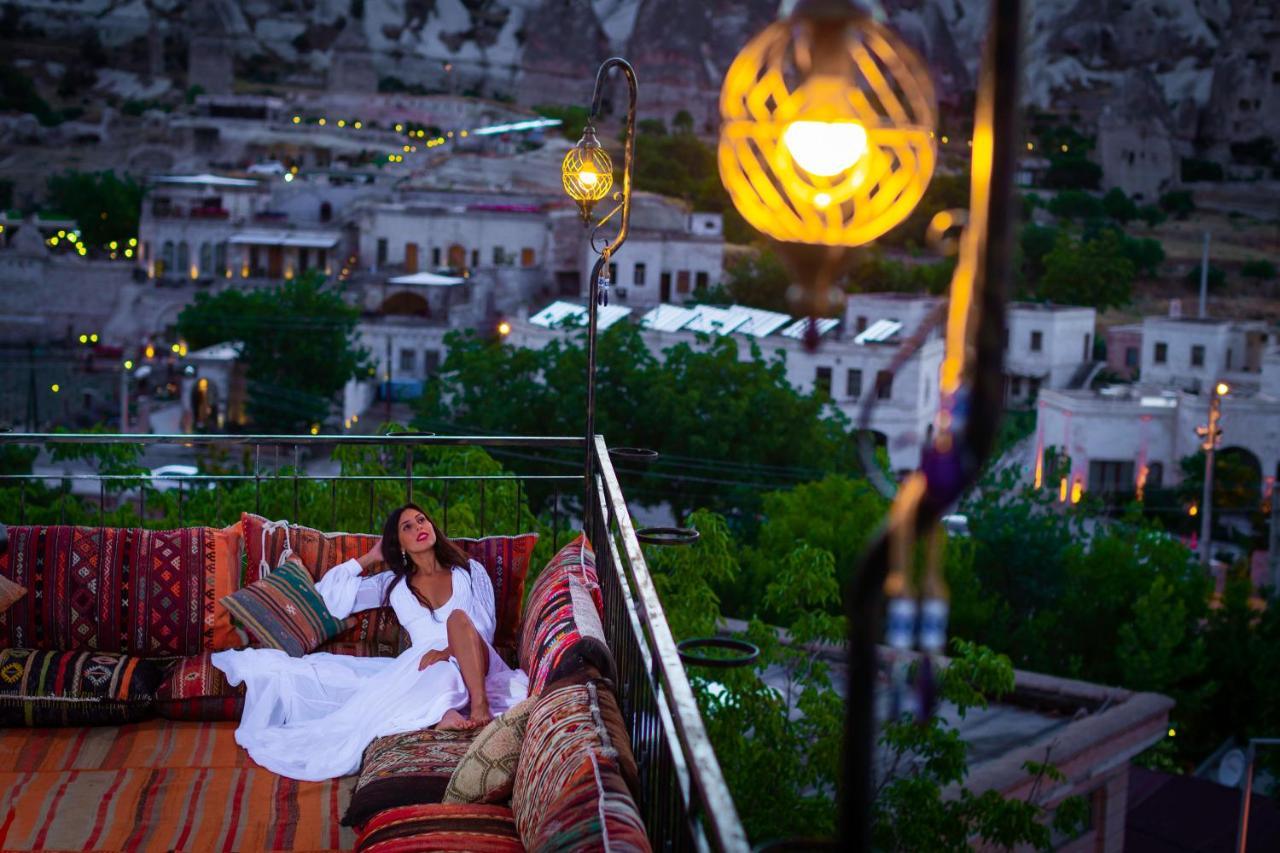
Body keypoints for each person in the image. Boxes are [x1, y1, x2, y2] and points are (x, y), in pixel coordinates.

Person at [210, 503, 528, 781]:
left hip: (474, 651)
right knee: (436, 670)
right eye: (407, 527)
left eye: (422, 520)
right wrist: (370, 557)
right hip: (425, 664)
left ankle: (479, 707)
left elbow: (483, 623)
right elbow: (329, 598)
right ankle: (444, 714)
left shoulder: (468, 570)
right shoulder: (394, 584)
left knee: (457, 621)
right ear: (398, 543)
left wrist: (449, 649)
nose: (419, 527)